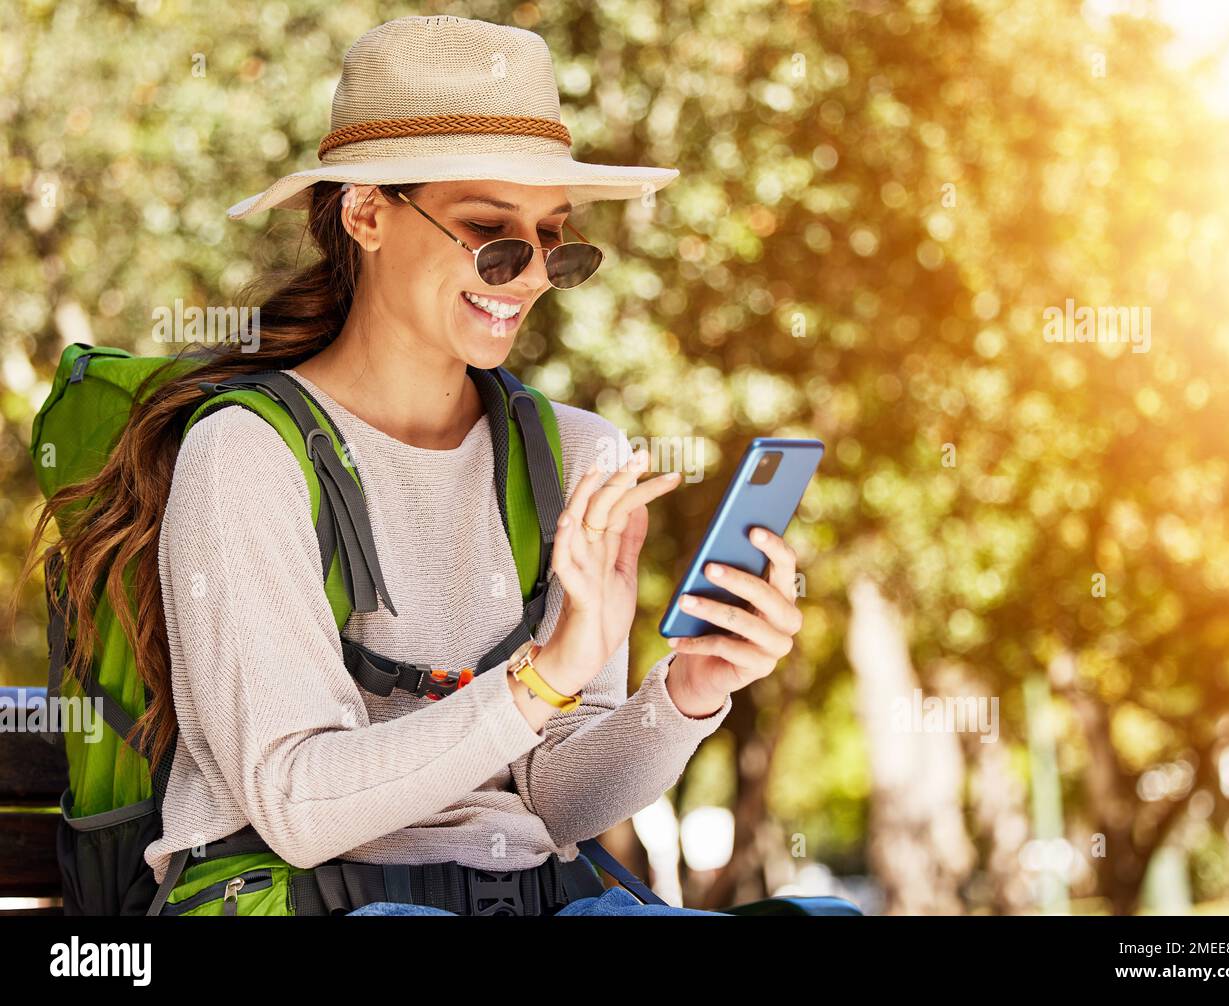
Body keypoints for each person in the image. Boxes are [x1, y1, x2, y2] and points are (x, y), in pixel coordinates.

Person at [26, 15, 806, 917]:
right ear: (366, 213)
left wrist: (684, 693)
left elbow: (556, 801)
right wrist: (545, 676)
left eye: (556, 242)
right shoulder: (247, 453)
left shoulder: (575, 455)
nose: (528, 277)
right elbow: (296, 803)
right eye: (493, 234)